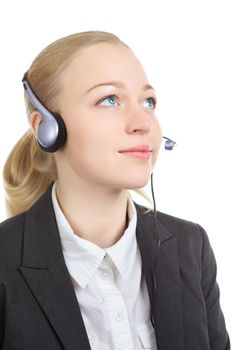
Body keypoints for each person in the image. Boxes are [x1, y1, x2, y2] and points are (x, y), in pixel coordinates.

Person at [0, 31, 230, 350]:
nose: (143, 123)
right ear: (46, 128)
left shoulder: (191, 247)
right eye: (109, 99)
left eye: (148, 101)